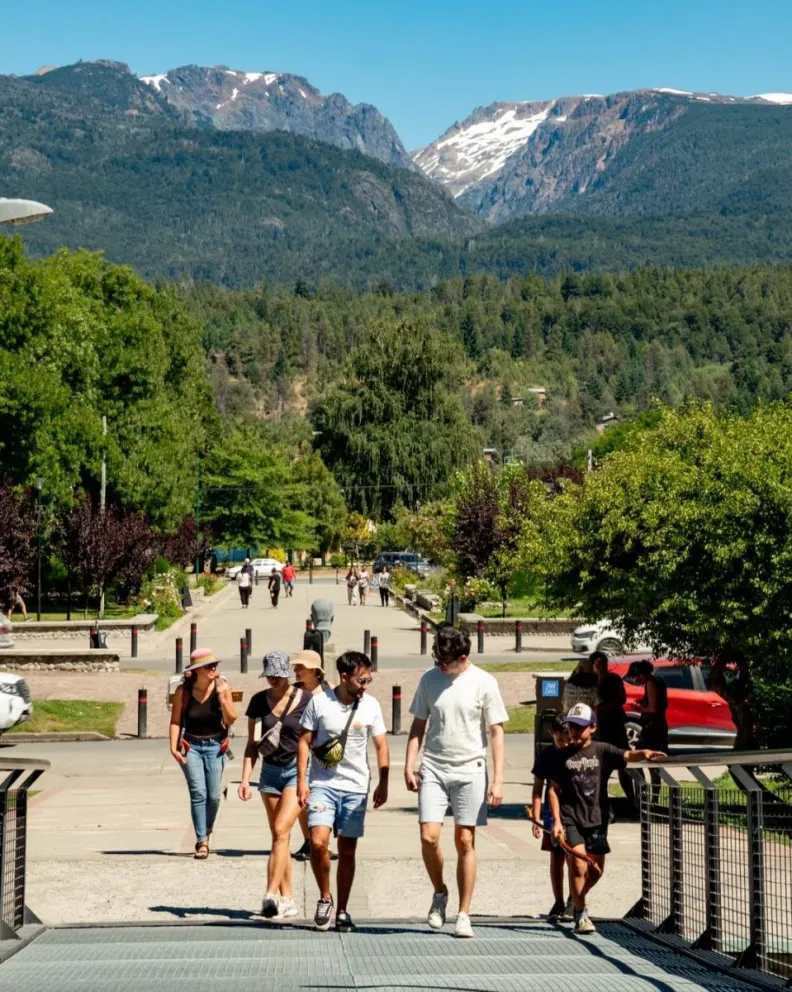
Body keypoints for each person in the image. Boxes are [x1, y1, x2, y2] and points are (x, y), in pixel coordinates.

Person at [405, 625, 508, 939]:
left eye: (445, 661)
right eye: (436, 659)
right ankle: (440, 892)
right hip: (434, 765)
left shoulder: (484, 682)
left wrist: (498, 780)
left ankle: (464, 913)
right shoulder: (429, 679)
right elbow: (418, 724)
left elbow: (496, 731)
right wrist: (409, 764)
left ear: (463, 658)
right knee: (429, 837)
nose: (439, 665)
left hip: (470, 768)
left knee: (465, 840)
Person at [548, 703, 665, 935]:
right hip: (571, 818)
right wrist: (557, 822)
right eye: (571, 726)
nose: (574, 731)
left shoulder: (602, 751)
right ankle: (581, 915)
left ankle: (576, 897)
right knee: (578, 866)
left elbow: (627, 755)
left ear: (592, 727)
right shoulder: (562, 756)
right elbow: (553, 790)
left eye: (580, 726)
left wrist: (645, 753)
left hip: (598, 819)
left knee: (596, 871)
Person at [297, 651, 389, 932]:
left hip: (355, 787)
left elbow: (381, 745)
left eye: (369, 679)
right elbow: (304, 741)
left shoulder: (371, 706)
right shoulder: (320, 703)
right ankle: (325, 897)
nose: (366, 686)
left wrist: (384, 781)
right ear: (345, 677)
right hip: (322, 784)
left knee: (347, 850)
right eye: (362, 680)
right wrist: (302, 781)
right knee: (318, 842)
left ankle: (343, 911)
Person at [238, 651, 311, 919]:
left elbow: (315, 739)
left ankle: (269, 895)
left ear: (288, 675)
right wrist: (245, 778)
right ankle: (287, 899)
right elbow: (252, 744)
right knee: (280, 837)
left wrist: (306, 780)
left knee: (281, 829)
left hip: (297, 771)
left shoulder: (306, 700)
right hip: (269, 772)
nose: (274, 679)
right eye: (270, 675)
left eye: (278, 675)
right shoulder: (258, 701)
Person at [169, 649, 238, 859]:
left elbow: (232, 719)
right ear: (197, 670)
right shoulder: (183, 691)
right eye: (209, 666)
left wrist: (223, 699)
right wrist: (173, 747)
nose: (213, 668)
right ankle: (201, 840)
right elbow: (175, 721)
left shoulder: (222, 687)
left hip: (216, 746)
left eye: (215, 665)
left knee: (214, 796)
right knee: (198, 793)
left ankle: (207, 828)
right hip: (191, 746)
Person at [530, 715, 573, 922]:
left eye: (568, 740)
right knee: (556, 858)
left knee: (574, 857)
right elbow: (538, 788)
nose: (565, 744)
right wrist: (536, 817)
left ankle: (574, 899)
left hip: (575, 811)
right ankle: (558, 901)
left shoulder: (576, 753)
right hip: (552, 814)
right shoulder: (546, 756)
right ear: (552, 734)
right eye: (560, 740)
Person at [291, 650, 330, 862]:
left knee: (321, 800)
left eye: (301, 667)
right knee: (302, 800)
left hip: (324, 754)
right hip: (300, 752)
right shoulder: (293, 692)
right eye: (295, 667)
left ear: (314, 671)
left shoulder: (329, 692)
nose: (296, 671)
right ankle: (309, 839)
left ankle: (320, 842)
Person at [591, 651, 636, 811]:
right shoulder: (592, 682)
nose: (602, 667)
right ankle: (602, 806)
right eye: (598, 664)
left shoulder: (614, 679)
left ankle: (632, 801)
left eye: (604, 663)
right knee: (601, 769)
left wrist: (603, 708)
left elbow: (621, 699)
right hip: (600, 730)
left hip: (615, 726)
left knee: (623, 764)